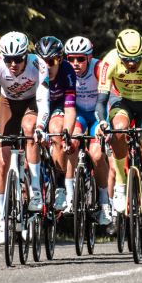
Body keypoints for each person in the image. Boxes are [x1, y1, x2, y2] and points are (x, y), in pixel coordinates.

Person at [95, 29, 142, 245]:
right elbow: (101, 102)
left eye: (137, 58)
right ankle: (120, 184)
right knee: (118, 129)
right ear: (119, 54)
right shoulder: (109, 61)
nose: (132, 63)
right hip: (122, 103)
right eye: (127, 59)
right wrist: (102, 122)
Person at [0, 32, 50, 244]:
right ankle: (2, 219)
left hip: (31, 103)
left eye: (18, 59)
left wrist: (40, 126)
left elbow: (44, 101)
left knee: (30, 128)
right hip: (7, 104)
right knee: (3, 161)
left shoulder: (39, 65)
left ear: (26, 55)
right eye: (8, 59)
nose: (13, 64)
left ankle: (35, 190)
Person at [64, 36, 111, 225]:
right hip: (78, 115)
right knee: (71, 144)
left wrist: (106, 123)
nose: (75, 63)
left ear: (89, 57)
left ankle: (105, 203)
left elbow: (111, 96)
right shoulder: (65, 70)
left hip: (98, 115)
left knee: (97, 156)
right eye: (71, 58)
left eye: (80, 58)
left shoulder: (99, 68)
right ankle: (70, 197)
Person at [35, 37, 78, 214]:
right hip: (37, 104)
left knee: (58, 131)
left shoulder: (67, 71)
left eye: (51, 62)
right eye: (42, 62)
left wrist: (67, 135)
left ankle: (60, 186)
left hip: (58, 105)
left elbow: (70, 110)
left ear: (60, 59)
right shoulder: (32, 69)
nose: (47, 67)